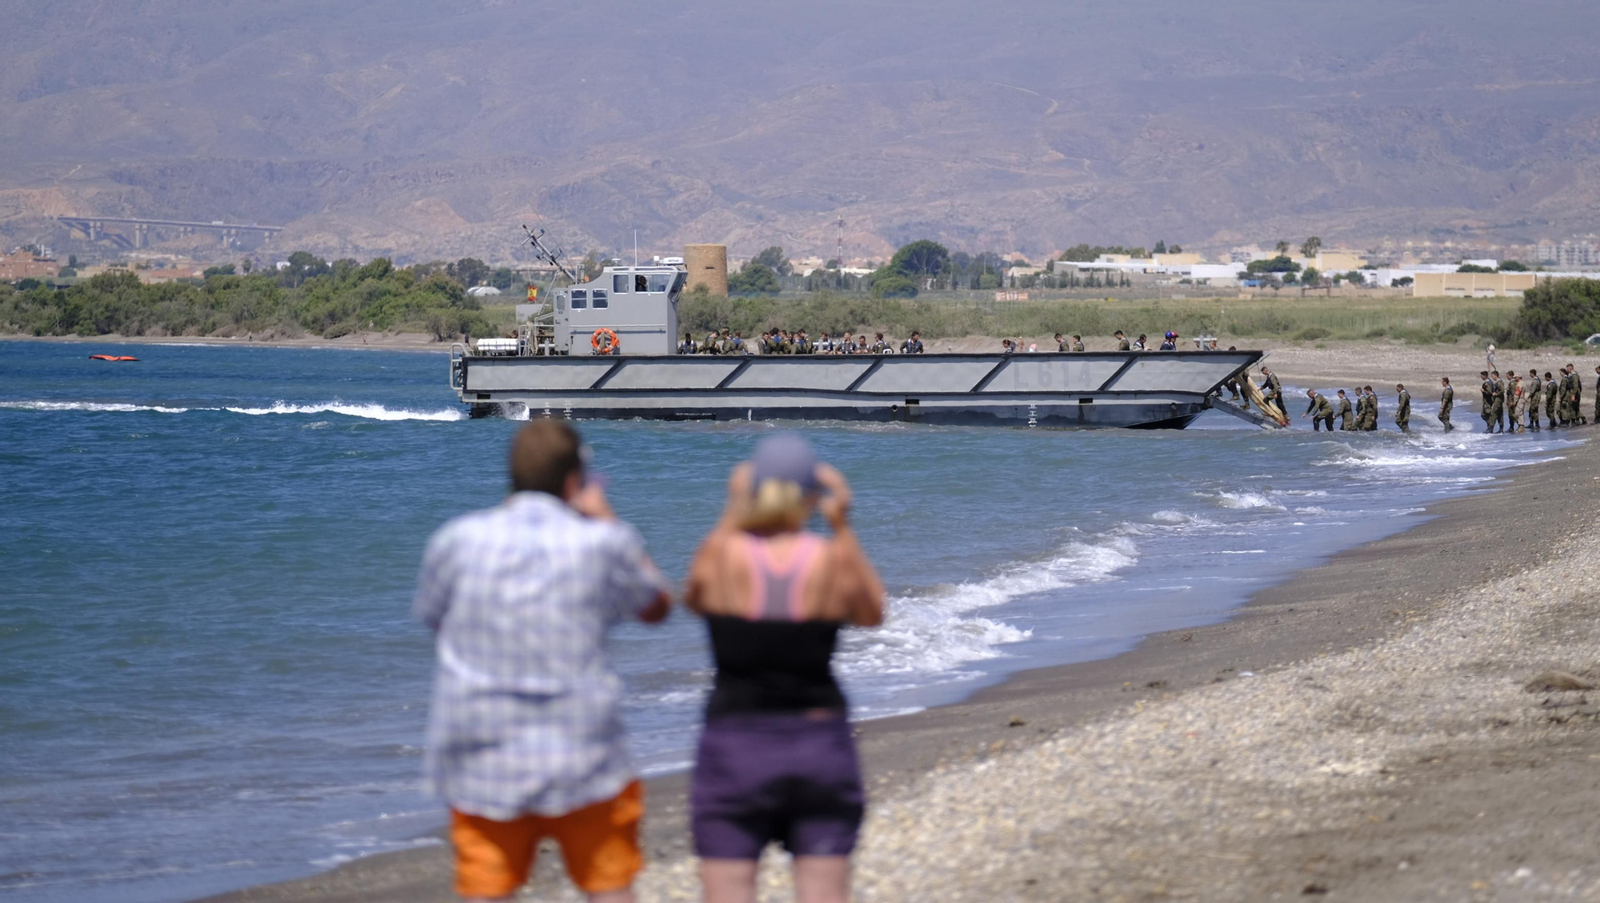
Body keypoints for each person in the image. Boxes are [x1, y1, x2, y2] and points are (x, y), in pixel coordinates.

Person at [415, 421, 671, 903]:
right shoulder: (603, 543)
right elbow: (656, 605)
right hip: (586, 756)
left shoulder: (455, 540)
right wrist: (607, 518)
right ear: (574, 480)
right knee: (610, 888)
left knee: (488, 891)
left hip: (482, 760)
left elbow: (434, 618)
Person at [685, 434, 886, 903]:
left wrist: (733, 508)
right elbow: (873, 613)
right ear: (812, 493)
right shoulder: (829, 559)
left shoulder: (726, 557)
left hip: (736, 743)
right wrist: (841, 526)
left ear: (752, 489)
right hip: (818, 742)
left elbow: (694, 593)